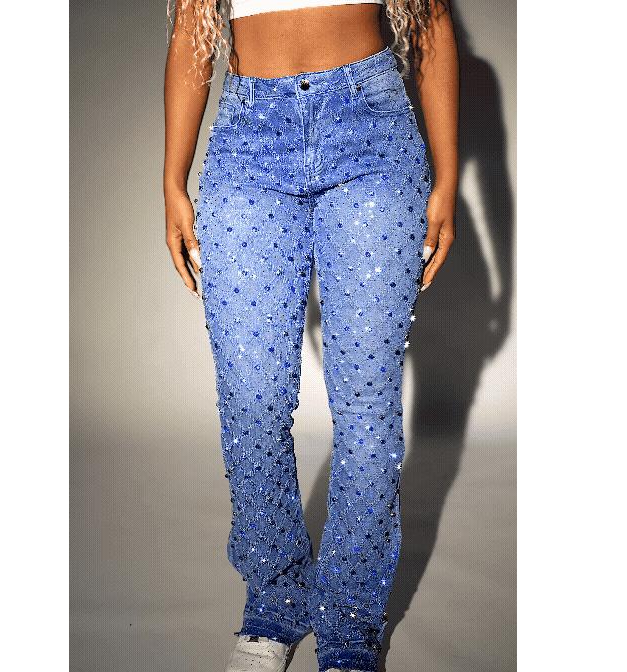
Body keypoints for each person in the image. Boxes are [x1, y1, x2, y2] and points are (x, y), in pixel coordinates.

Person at [163, 1, 458, 670]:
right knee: (251, 401)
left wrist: (447, 177)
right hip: (249, 138)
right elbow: (191, 26)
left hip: (372, 132)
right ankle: (276, 602)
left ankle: (350, 627)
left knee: (366, 409)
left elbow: (431, 22)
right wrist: (171, 179)